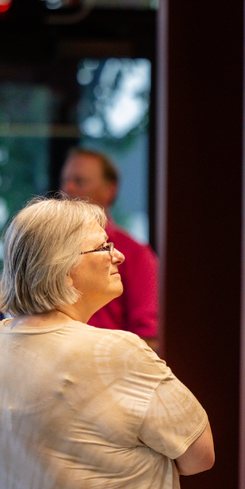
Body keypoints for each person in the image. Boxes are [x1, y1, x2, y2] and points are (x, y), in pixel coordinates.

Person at [0, 197, 214, 489]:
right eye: (104, 247)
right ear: (64, 268)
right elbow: (200, 455)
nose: (119, 257)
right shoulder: (116, 352)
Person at [60, 148, 161, 354]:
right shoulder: (53, 248)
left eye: (79, 181)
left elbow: (148, 336)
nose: (67, 188)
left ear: (110, 190)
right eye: (65, 180)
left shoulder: (135, 254)